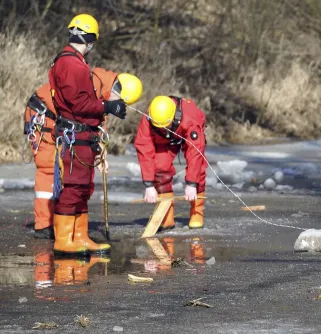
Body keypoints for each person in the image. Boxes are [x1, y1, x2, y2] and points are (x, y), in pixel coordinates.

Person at [24, 68, 141, 239]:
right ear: (118, 92)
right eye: (121, 103)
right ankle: (44, 224)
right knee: (49, 168)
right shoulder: (91, 84)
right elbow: (84, 118)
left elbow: (97, 121)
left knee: (74, 169)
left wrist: (100, 151)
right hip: (43, 118)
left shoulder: (102, 88)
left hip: (60, 119)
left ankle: (64, 218)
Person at [48, 13, 129, 256]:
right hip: (76, 135)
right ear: (89, 38)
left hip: (83, 135)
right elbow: (80, 104)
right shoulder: (71, 65)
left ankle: (80, 236)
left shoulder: (71, 62)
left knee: (84, 188)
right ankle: (64, 240)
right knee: (73, 188)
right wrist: (108, 106)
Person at [134, 95, 208, 231]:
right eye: (159, 127)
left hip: (187, 134)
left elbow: (195, 154)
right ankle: (166, 214)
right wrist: (149, 184)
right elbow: (144, 149)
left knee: (199, 170)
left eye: (165, 126)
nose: (162, 128)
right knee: (160, 167)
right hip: (164, 141)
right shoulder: (149, 118)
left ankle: (197, 212)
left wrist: (191, 183)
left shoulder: (190, 119)